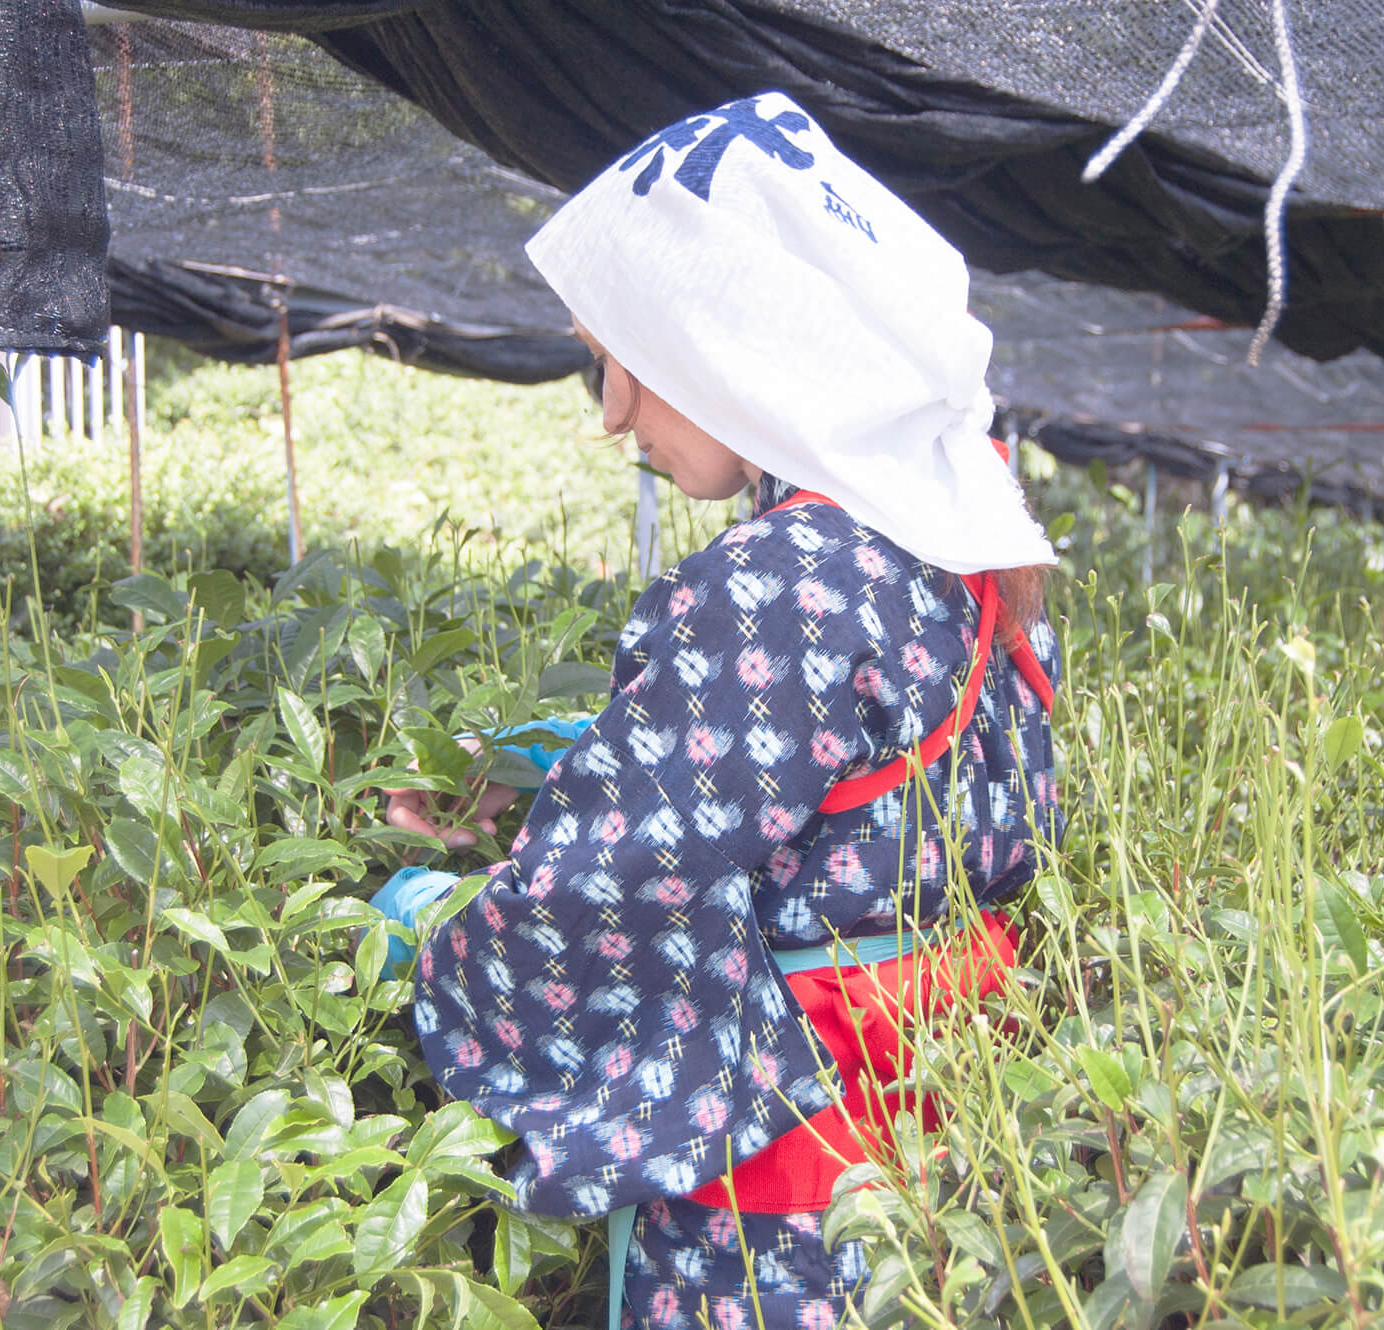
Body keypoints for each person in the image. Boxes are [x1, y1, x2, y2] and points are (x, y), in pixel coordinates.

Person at [371, 90, 1065, 1330]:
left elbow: (602, 898)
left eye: (617, 357)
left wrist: (429, 938)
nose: (614, 412)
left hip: (775, 1211)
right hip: (946, 1160)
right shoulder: (964, 533)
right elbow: (863, 797)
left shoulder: (782, 578)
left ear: (720, 337)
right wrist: (549, 776)